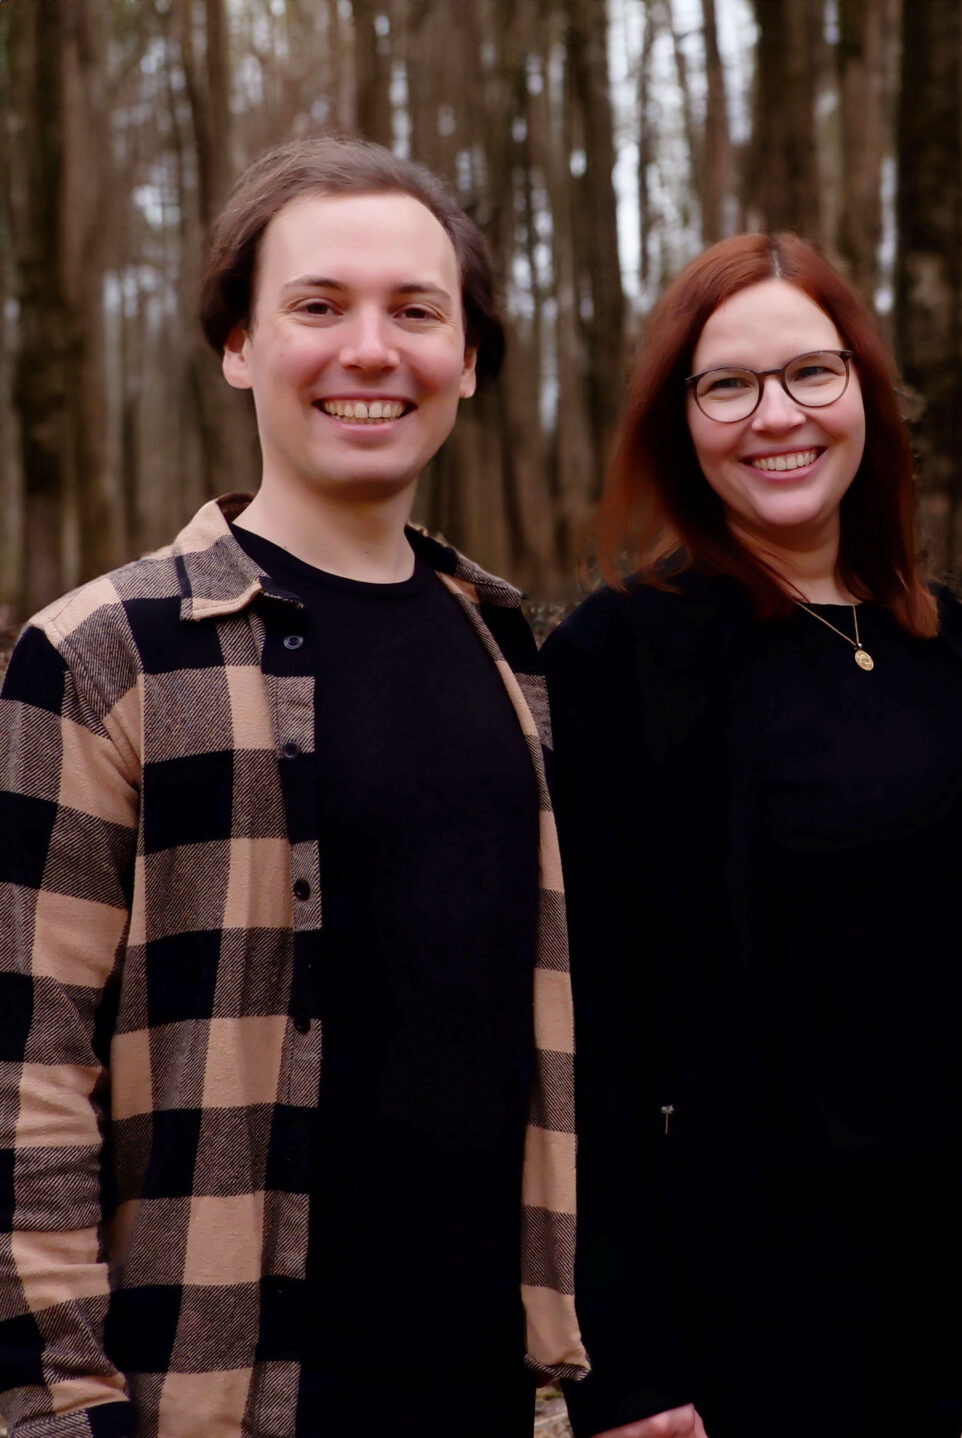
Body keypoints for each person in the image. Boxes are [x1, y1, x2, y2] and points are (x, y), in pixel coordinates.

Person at [0, 136, 583, 1437]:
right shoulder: (103, 655)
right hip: (202, 1394)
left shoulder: (509, 654)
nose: (369, 351)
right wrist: (56, 1399)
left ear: (468, 359)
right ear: (238, 346)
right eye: (318, 307)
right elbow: (22, 1069)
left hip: (480, 1382)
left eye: (416, 311)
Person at [544, 233, 962, 1438]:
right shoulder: (616, 657)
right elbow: (585, 1027)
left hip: (934, 1243)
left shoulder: (944, 649)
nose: (777, 416)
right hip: (728, 1268)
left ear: (865, 392)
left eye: (812, 374)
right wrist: (626, 1356)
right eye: (729, 385)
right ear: (681, 419)